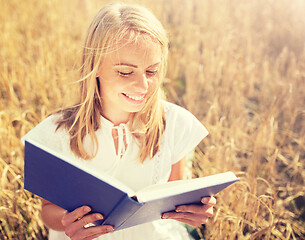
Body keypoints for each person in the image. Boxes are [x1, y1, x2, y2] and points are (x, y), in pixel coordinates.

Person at [22, 3, 216, 240]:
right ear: (94, 66)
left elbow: (173, 198)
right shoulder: (58, 133)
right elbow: (47, 210)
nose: (143, 86)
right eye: (126, 72)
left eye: (152, 71)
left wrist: (191, 212)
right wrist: (66, 221)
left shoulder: (174, 124)